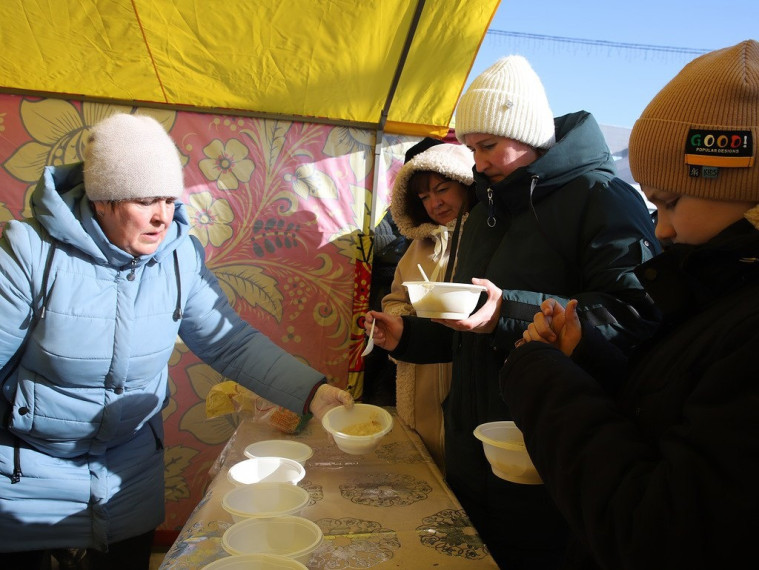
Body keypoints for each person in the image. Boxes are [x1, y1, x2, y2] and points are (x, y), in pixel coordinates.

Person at [0, 113, 353, 570]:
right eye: (145, 200)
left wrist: (314, 393)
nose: (162, 216)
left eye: (169, 198)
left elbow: (232, 344)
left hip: (126, 473)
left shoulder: (179, 257)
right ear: (103, 200)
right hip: (27, 476)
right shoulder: (29, 252)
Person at [366, 55, 661, 568]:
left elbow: (634, 316)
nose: (477, 162)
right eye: (472, 148)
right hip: (471, 443)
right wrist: (407, 337)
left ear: (525, 133)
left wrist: (509, 312)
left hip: (546, 447)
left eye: (486, 146)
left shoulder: (602, 197)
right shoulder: (485, 208)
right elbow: (473, 322)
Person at [499, 39, 759, 570]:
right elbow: (676, 409)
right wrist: (589, 360)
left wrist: (541, 377)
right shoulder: (719, 291)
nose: (659, 227)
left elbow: (657, 534)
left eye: (669, 200)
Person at [379, 137, 475, 471]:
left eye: (442, 189)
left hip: (459, 370)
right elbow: (395, 296)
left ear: (465, 181)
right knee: (421, 459)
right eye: (424, 196)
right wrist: (399, 318)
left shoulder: (484, 239)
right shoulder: (420, 243)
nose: (434, 203)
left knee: (457, 457)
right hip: (417, 370)